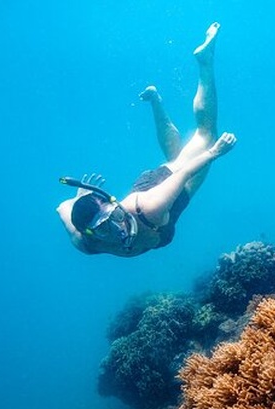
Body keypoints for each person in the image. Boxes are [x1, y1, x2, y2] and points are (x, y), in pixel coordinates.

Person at [57, 22, 236, 257]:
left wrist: (215, 151)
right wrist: (79, 198)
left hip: (152, 196)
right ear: (89, 233)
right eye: (102, 229)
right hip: (155, 200)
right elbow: (61, 208)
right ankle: (155, 101)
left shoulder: (151, 207)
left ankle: (205, 61)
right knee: (176, 157)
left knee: (205, 135)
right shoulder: (87, 244)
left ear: (116, 205)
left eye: (115, 216)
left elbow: (183, 175)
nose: (117, 229)